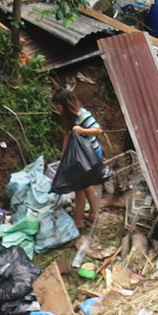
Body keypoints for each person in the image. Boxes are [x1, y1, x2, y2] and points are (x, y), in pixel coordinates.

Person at [54, 84, 105, 233]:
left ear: (65, 105)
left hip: (90, 156)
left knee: (79, 188)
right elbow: (67, 134)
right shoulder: (68, 118)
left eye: (58, 106)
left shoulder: (83, 115)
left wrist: (83, 130)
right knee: (86, 185)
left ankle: (79, 221)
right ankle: (94, 214)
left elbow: (98, 130)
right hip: (79, 157)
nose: (57, 109)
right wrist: (64, 155)